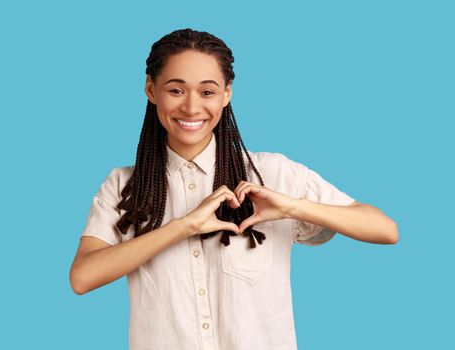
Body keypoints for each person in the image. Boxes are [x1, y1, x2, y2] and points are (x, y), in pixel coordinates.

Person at [69, 28, 398, 350]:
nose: (192, 108)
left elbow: (385, 229)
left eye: (208, 91)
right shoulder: (124, 185)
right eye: (176, 90)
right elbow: (82, 277)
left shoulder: (271, 172)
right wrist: (183, 227)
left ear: (227, 94)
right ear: (151, 91)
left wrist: (293, 207)